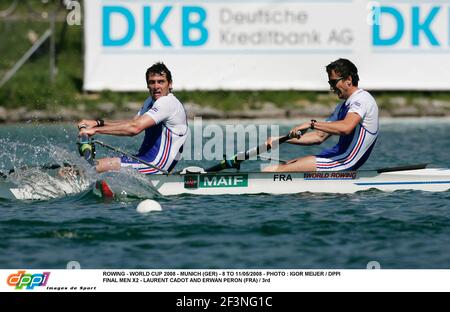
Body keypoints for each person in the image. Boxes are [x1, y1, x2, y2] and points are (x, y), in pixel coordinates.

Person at [263, 58, 379, 172]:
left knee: (274, 170)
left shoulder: (362, 99)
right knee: (284, 165)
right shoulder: (342, 107)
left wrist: (311, 124)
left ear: (348, 79)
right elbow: (319, 136)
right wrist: (279, 140)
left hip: (345, 161)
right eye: (330, 83)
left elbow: (346, 128)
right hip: (336, 156)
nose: (332, 87)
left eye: (334, 82)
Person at [78, 62, 188, 174]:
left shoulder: (168, 103)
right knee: (88, 166)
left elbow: (134, 129)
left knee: (94, 167)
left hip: (156, 166)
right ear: (147, 85)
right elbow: (133, 123)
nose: (156, 86)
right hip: (143, 160)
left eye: (161, 82)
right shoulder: (150, 101)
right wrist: (97, 123)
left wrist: (95, 130)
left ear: (170, 84)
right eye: (152, 82)